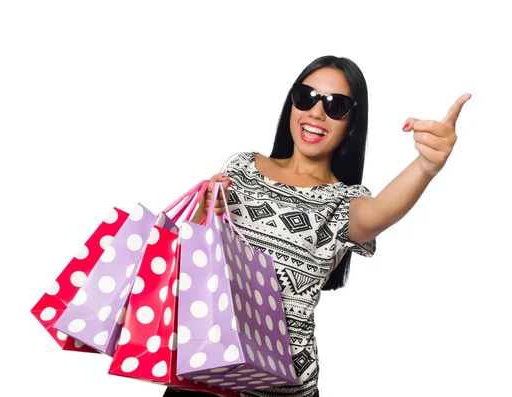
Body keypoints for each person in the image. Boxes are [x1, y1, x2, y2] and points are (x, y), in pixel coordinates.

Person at [163, 55, 471, 397]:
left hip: (280, 390)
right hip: (201, 377)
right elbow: (193, 268)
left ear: (352, 123)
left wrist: (426, 166)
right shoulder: (242, 167)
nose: (316, 112)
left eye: (336, 105)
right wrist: (201, 213)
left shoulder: (343, 202)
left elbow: (381, 211)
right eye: (306, 97)